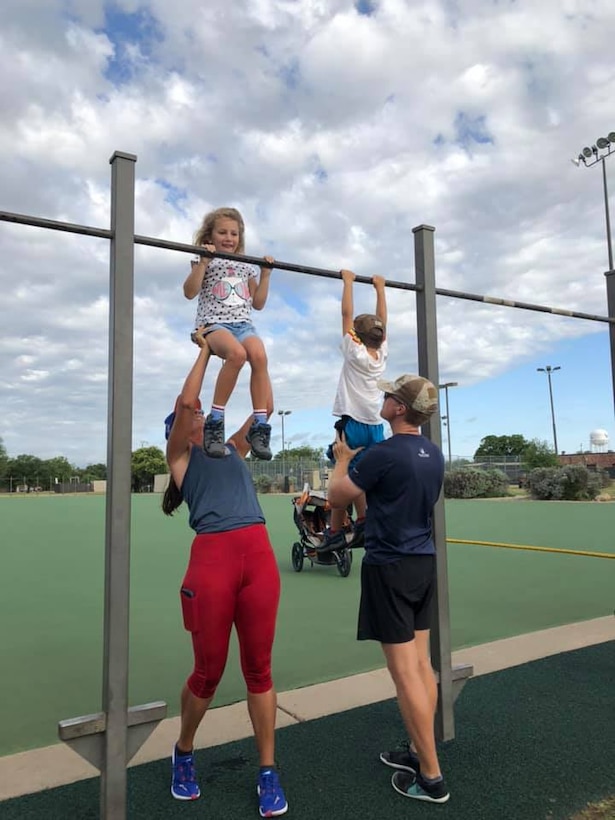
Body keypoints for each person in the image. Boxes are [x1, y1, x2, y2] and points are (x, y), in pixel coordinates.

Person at [162, 331, 288, 818]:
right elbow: (189, 398)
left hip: (257, 557)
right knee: (208, 673)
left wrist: (259, 358)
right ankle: (185, 752)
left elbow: (265, 409)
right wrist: (204, 350)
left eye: (199, 415)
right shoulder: (181, 456)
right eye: (193, 416)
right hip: (212, 561)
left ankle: (268, 770)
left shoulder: (232, 448)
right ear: (181, 426)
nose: (199, 414)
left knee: (260, 670)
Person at [326, 374, 449, 805]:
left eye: (389, 395)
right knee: (420, 665)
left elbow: (338, 497)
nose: (382, 398)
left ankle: (431, 776)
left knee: (405, 673)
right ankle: (418, 750)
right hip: (422, 564)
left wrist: (342, 460)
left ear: (400, 409)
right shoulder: (433, 453)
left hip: (389, 567)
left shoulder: (384, 453)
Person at [183, 206, 274, 461]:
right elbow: (189, 292)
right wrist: (203, 262)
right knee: (236, 354)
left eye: (234, 234)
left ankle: (259, 426)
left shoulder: (246, 266)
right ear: (209, 236)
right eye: (222, 232)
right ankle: (215, 420)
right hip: (214, 324)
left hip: (243, 324)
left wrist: (265, 275)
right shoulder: (204, 259)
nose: (228, 238)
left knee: (258, 355)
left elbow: (258, 303)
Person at [320, 269, 388, 552]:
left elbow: (345, 316)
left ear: (356, 337)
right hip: (376, 427)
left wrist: (348, 283)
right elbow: (384, 322)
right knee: (363, 478)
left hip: (354, 425)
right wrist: (380, 289)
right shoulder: (381, 354)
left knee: (345, 475)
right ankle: (363, 521)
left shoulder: (355, 352)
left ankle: (335, 533)